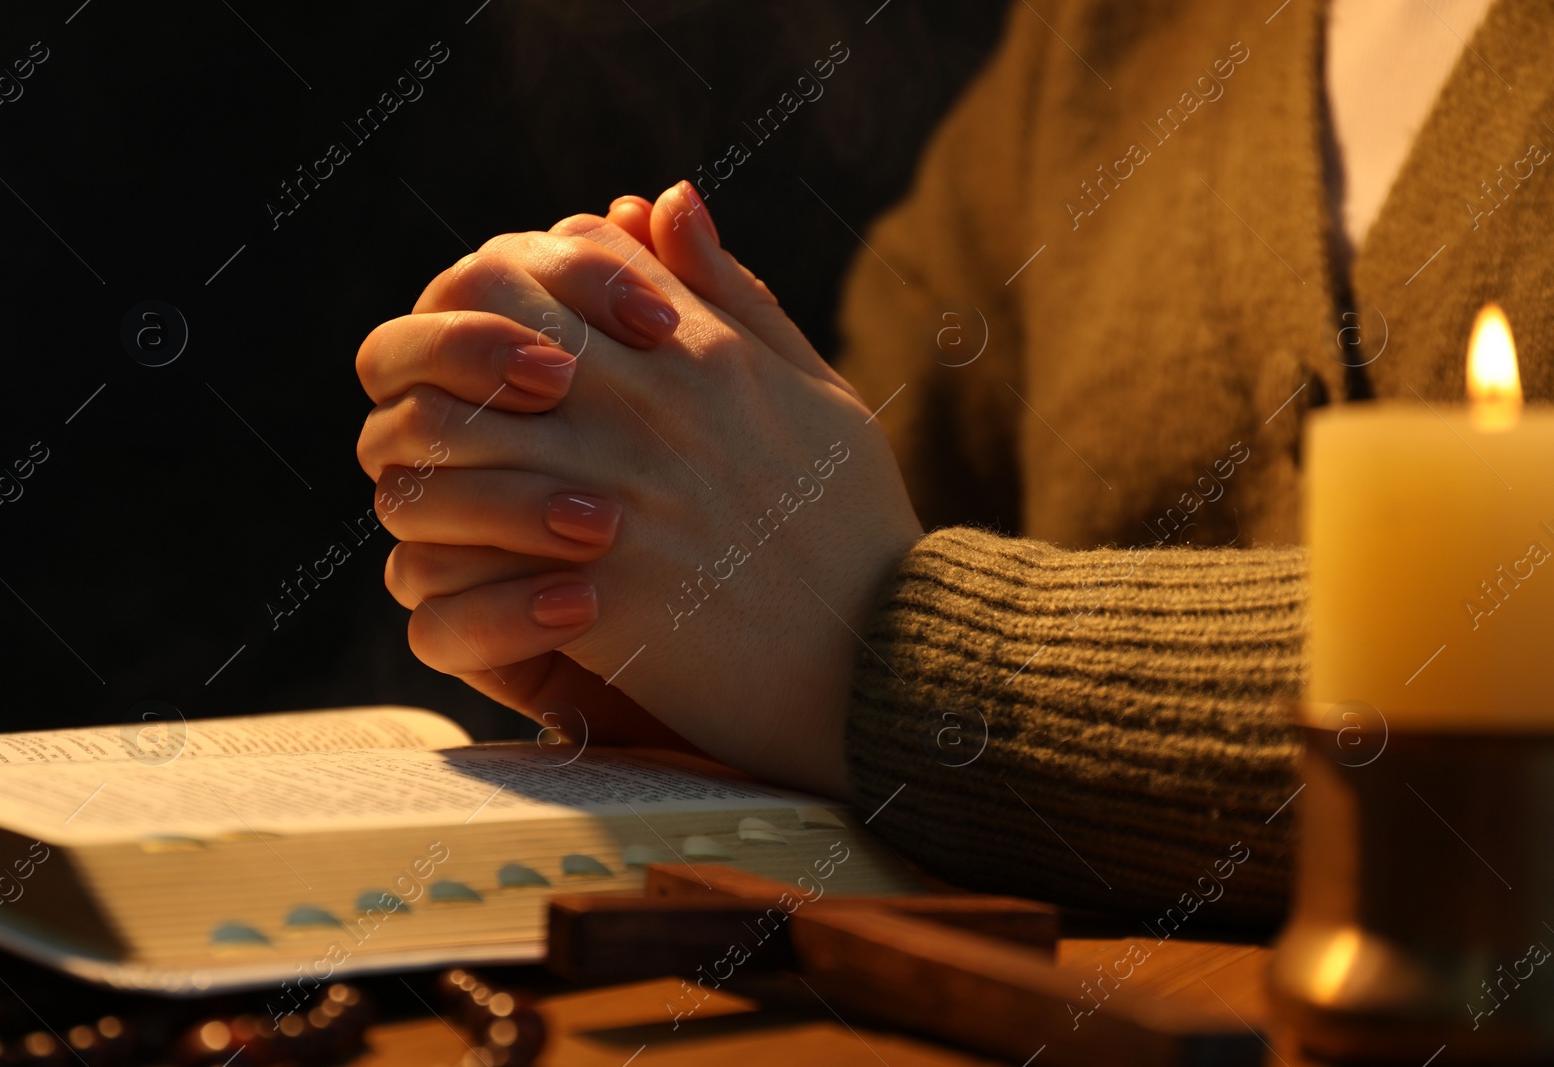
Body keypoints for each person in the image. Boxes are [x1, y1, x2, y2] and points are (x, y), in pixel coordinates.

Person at [356, 0, 1529, 927]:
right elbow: (862, 488)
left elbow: (856, 613)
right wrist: (670, 643)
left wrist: (887, 661)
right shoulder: (1107, 41)